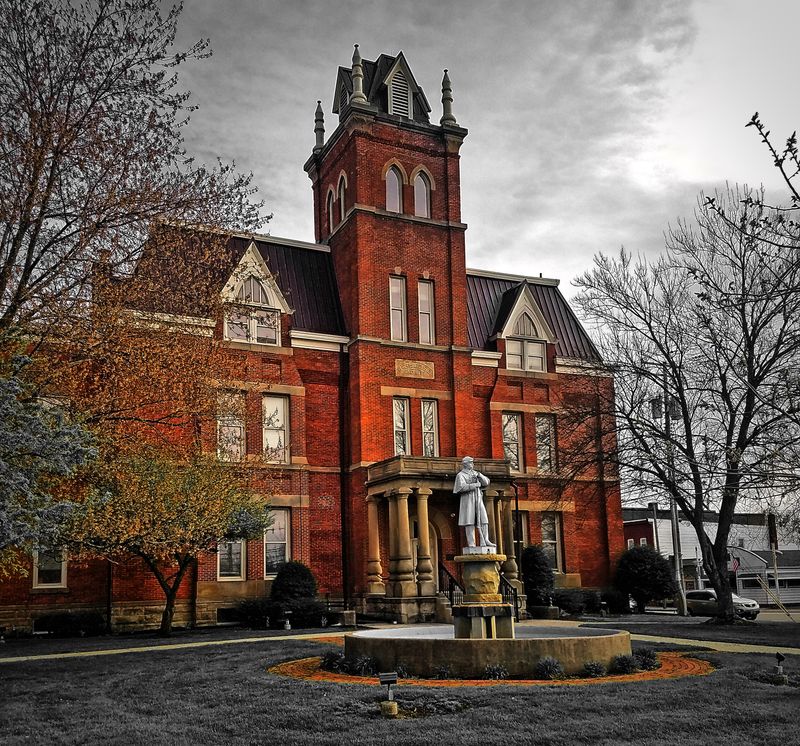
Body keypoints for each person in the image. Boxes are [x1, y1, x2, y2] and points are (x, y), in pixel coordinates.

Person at [452, 456, 495, 549]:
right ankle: (471, 543)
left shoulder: (476, 473)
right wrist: (474, 485)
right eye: (470, 462)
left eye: (472, 462)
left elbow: (486, 482)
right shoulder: (461, 475)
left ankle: (485, 539)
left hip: (478, 498)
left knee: (484, 519)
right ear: (465, 464)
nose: (472, 464)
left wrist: (480, 475)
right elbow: (460, 488)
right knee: (469, 521)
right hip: (468, 500)